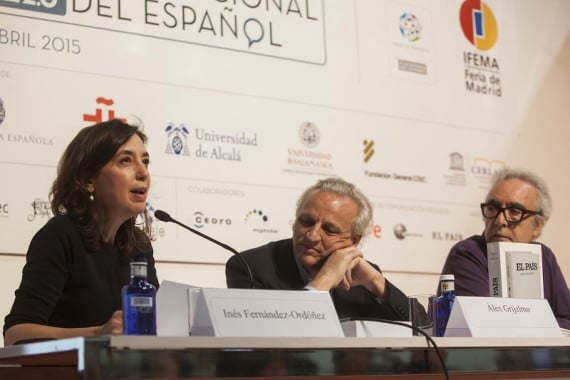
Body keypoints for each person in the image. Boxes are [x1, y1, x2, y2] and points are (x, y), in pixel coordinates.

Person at [3, 119, 159, 346]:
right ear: (88, 180)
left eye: (145, 161)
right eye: (125, 160)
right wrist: (98, 334)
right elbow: (16, 335)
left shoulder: (138, 246)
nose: (143, 172)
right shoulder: (61, 236)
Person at [226, 177, 409, 321]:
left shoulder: (362, 276)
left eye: (329, 230)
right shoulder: (250, 267)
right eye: (306, 222)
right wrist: (325, 280)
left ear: (354, 240)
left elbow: (423, 327)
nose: (312, 236)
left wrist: (377, 282)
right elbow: (268, 336)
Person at [439, 167, 570, 329]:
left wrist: (532, 324)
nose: (500, 220)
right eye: (492, 209)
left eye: (514, 211)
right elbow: (489, 324)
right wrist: (543, 322)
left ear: (538, 225)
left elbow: (567, 320)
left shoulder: (544, 256)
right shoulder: (467, 254)